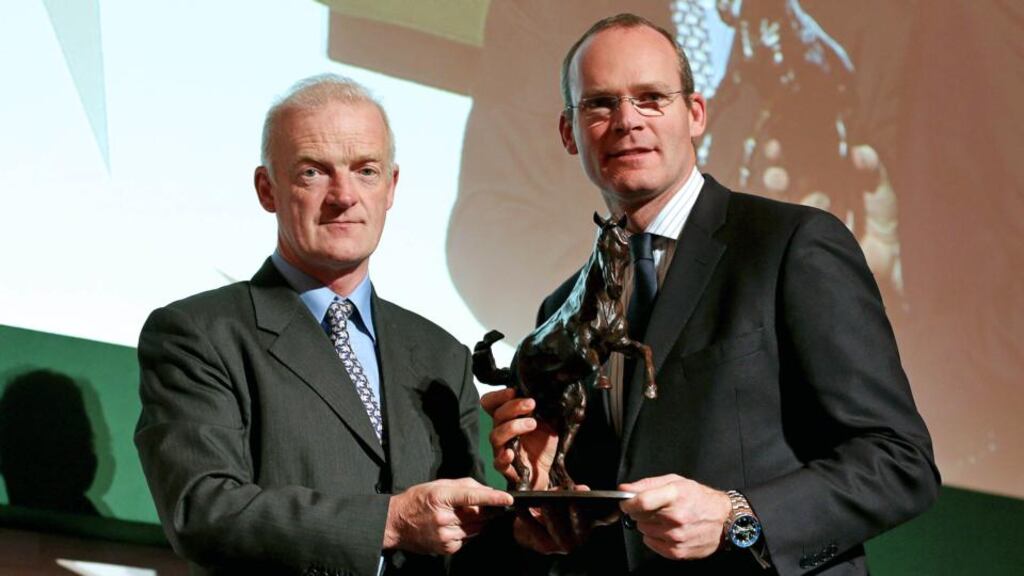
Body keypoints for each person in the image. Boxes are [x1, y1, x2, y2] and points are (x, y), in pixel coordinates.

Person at [482, 13, 939, 575]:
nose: (627, 121)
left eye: (652, 98)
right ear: (568, 132)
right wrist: (548, 503)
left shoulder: (792, 244)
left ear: (695, 114)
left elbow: (899, 462)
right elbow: (599, 517)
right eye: (599, 104)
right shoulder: (563, 308)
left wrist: (736, 515)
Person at [135, 74, 512, 576]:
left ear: (391, 187)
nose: (344, 195)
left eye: (366, 171)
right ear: (267, 189)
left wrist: (532, 508)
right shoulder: (199, 334)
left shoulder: (442, 355)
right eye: (313, 172)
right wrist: (388, 522)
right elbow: (202, 509)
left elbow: (464, 545)